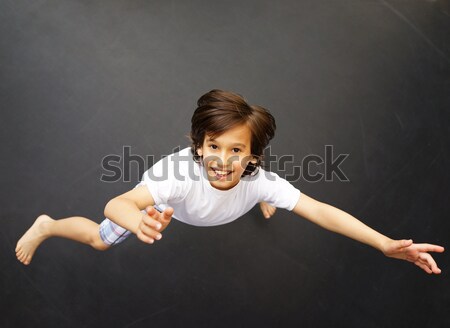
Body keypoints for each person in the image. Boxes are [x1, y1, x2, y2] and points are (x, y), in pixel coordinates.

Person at [15, 89, 444, 274]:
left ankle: (258, 201)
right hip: (161, 212)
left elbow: (319, 211)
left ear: (253, 155)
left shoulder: (258, 178)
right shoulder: (177, 177)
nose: (222, 160)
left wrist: (385, 244)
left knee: (269, 192)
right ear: (198, 145)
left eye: (236, 151)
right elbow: (117, 203)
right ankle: (47, 224)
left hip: (249, 191)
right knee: (98, 240)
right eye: (213, 146)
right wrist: (136, 221)